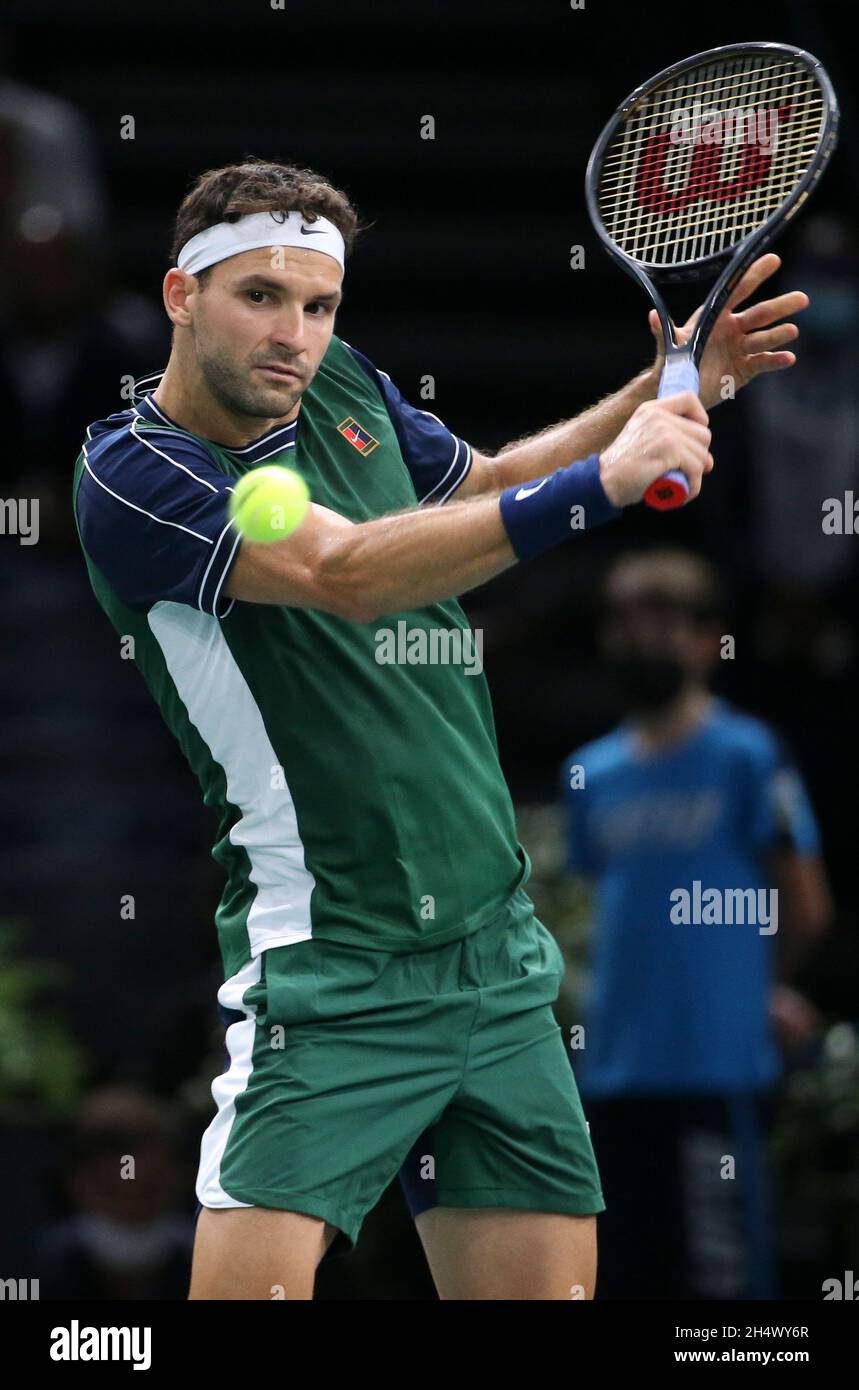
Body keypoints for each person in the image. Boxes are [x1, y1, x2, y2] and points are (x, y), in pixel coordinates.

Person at [73, 156, 808, 1300]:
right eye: (258, 297)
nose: (295, 334)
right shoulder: (131, 473)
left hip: (497, 957)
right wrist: (604, 487)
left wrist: (670, 387)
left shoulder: (345, 389)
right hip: (331, 965)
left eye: (318, 305)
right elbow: (346, 571)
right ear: (182, 296)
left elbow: (490, 484)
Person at [560, 549, 831, 1299]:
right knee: (622, 1277)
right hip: (613, 1070)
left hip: (714, 1065)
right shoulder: (590, 772)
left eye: (661, 621)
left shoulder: (748, 756)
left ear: (709, 639)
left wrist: (755, 990)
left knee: (721, 1291)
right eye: (621, 622)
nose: (637, 640)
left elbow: (804, 906)